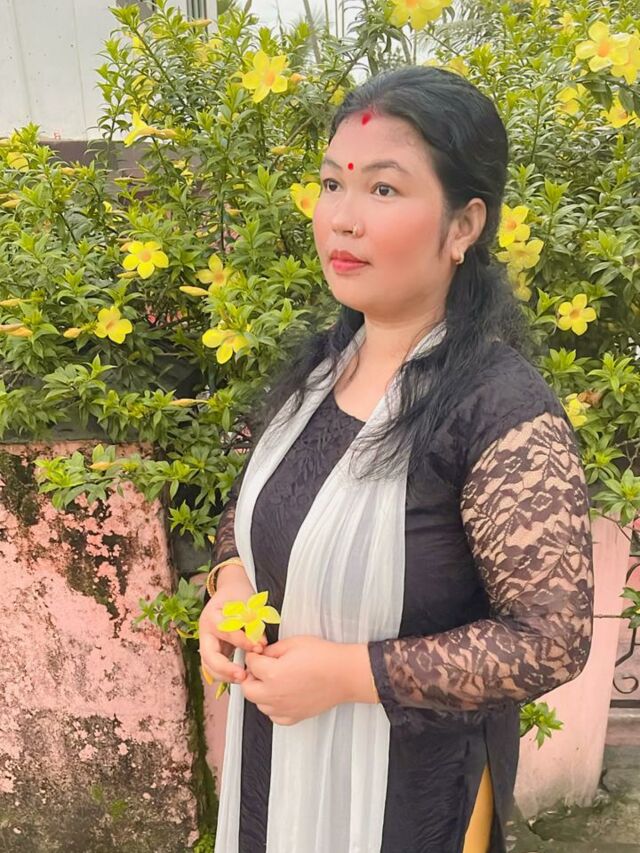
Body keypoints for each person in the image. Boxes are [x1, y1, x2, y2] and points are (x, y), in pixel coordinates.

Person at [198, 65, 594, 853]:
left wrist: (350, 675)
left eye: (383, 189)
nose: (342, 219)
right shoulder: (323, 369)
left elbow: (552, 637)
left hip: (413, 801)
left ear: (463, 225)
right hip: (280, 768)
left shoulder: (499, 412)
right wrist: (230, 584)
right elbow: (259, 512)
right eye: (332, 184)